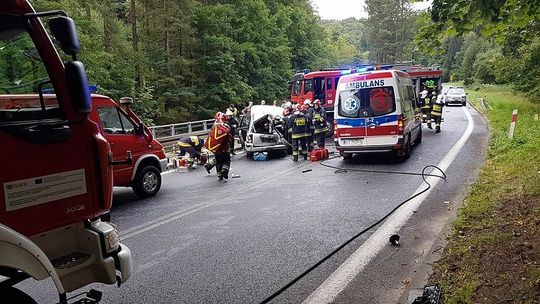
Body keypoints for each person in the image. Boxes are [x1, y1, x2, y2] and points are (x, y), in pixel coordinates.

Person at [204, 112, 232, 180]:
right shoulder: (226, 126)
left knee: (218, 162)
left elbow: (211, 136)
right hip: (225, 148)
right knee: (226, 161)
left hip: (216, 149)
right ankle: (224, 172)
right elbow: (229, 137)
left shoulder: (214, 126)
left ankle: (219, 175)